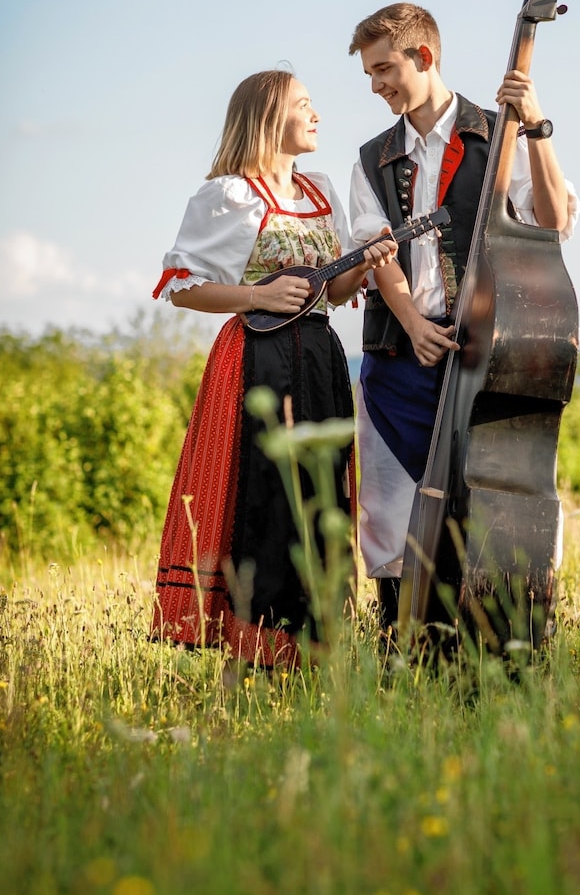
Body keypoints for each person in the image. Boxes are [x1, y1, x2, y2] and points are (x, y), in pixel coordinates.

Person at [150, 69, 397, 668]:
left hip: (318, 354)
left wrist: (367, 262)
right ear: (267, 119)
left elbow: (333, 290)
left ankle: (315, 647)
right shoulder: (229, 195)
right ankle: (260, 645)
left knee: (322, 494)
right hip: (255, 357)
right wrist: (257, 297)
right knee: (267, 495)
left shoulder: (318, 191)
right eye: (303, 106)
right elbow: (184, 288)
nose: (317, 116)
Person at [347, 3, 580, 630]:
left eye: (384, 69)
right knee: (392, 514)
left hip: (489, 361)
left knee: (492, 512)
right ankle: (404, 649)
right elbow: (377, 251)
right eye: (369, 75)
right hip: (399, 360)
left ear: (423, 57)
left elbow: (554, 222)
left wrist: (536, 127)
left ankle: (495, 648)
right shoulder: (372, 158)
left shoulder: (500, 131)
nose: (376, 86)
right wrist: (414, 322)